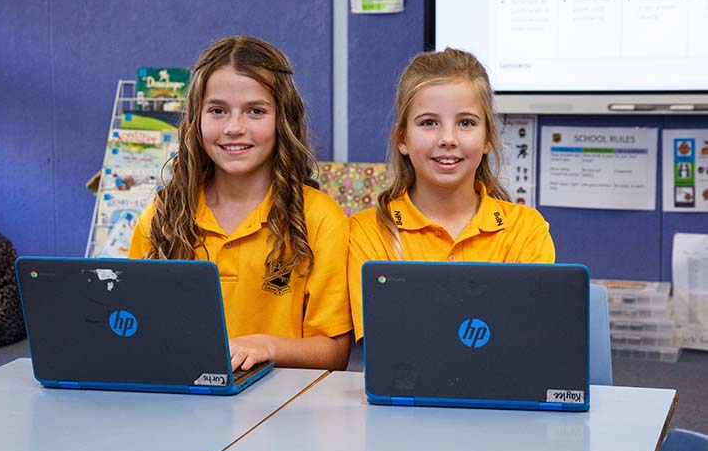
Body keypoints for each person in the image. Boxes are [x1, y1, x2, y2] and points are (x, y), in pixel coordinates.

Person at [129, 36, 352, 370]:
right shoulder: (163, 216)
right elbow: (134, 328)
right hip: (182, 398)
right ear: (195, 119)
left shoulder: (320, 218)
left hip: (286, 400)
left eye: (255, 111)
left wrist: (267, 346)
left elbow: (334, 353)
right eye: (217, 111)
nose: (234, 128)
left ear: (283, 119)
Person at [348, 48, 555, 343]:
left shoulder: (526, 230)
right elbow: (386, 345)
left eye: (466, 123)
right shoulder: (369, 233)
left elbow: (529, 338)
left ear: (487, 138)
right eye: (429, 122)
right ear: (402, 138)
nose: (448, 139)